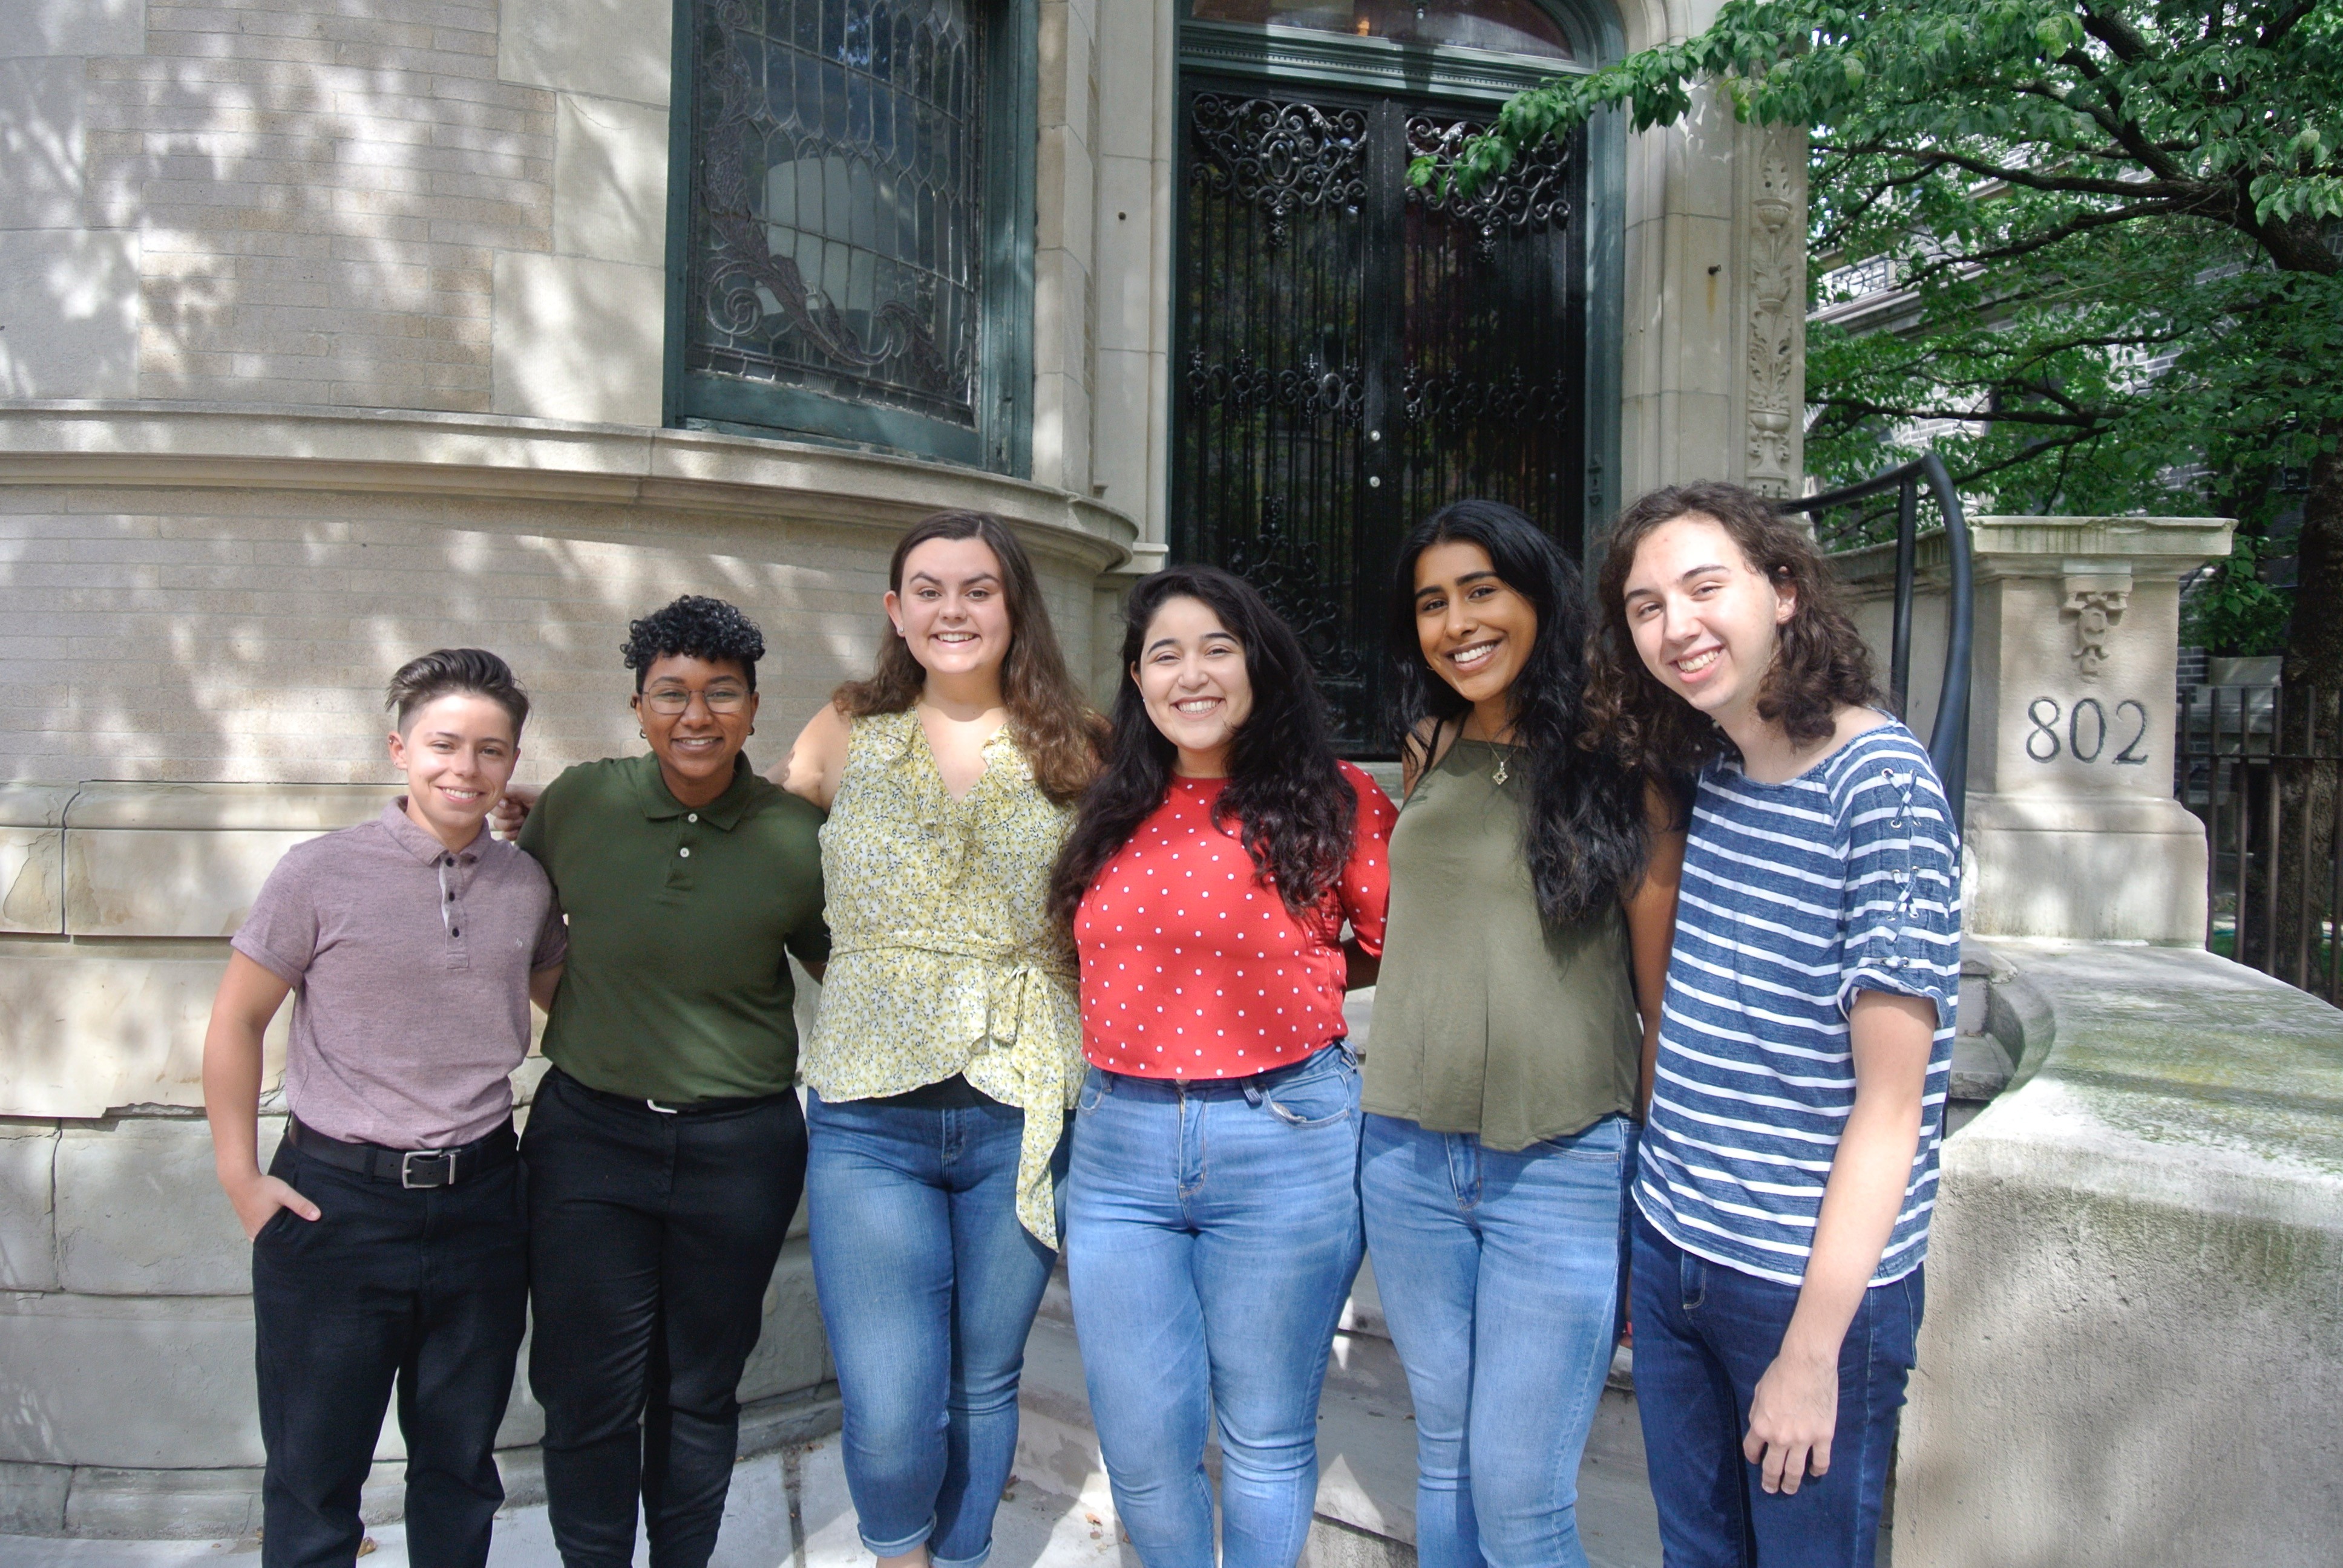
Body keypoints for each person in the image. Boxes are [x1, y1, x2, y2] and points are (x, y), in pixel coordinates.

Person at [1587, 482, 1959, 1568]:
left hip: (1800, 1289)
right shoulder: (1718, 767)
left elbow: (1893, 1108)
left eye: (1706, 588)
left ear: (1783, 591)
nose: (1678, 626)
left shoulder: (1881, 789)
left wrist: (1811, 1352)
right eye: (1647, 607)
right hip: (1675, 1247)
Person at [1048, 564, 1397, 1568]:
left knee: (1265, 1436)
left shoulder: (1338, 798)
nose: (1191, 675)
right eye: (1166, 655)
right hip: (1118, 1147)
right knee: (1142, 1444)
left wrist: (1295, 974)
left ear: (1259, 665)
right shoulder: (1110, 803)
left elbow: (1395, 946)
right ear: (1137, 679)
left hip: (1284, 1138)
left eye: (1217, 649)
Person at [1361, 501, 1685, 1568]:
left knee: (1521, 1495)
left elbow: (1661, 1000)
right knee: (1447, 1461)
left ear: (1538, 598)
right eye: (1432, 603)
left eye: (1481, 591)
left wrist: (1648, 1170)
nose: (1457, 623)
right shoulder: (1429, 743)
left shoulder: (1623, 762)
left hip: (1562, 1161)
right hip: (1407, 1154)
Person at [776, 512, 1100, 1568]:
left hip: (1023, 1107)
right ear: (895, 610)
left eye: (977, 589)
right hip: (869, 1116)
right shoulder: (845, 728)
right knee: (888, 1397)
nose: (952, 610)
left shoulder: (1081, 743)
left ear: (1014, 607)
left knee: (983, 1383)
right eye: (929, 589)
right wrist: (579, 816)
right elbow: (750, 843)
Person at [203, 649, 565, 1568]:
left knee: (460, 1467)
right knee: (313, 1475)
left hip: (483, 1201)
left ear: (512, 763)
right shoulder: (319, 872)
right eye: (444, 744)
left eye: (491, 750)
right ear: (401, 749)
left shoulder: (526, 885)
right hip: (336, 1207)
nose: (465, 768)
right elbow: (238, 1021)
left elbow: (576, 1004)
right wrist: (241, 1179)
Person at [515, 596, 831, 1568]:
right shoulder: (579, 802)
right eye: (671, 694)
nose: (696, 715)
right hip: (588, 1140)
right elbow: (510, 924)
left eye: (721, 693)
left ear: (753, 708)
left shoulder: (800, 835)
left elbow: (852, 973)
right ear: (639, 707)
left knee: (699, 1388)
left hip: (740, 1149)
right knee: (585, 1389)